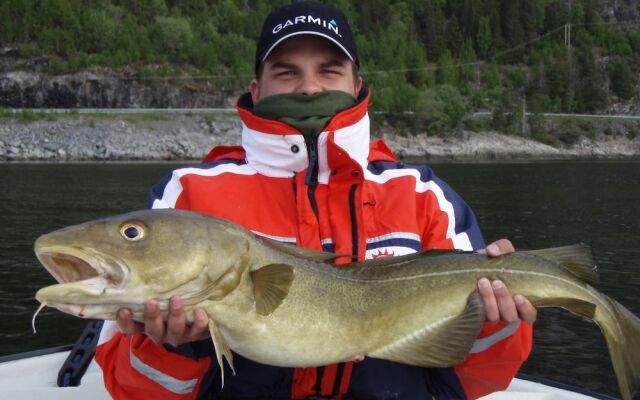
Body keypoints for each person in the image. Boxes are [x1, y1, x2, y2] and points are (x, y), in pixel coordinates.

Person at [95, 2, 536, 399]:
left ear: (357, 82)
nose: (308, 88)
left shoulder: (422, 197)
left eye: (329, 70)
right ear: (257, 87)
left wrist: (496, 327)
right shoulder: (187, 196)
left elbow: (475, 380)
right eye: (286, 72)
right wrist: (174, 348)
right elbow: (128, 385)